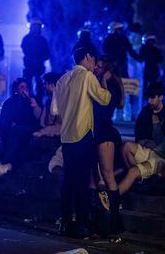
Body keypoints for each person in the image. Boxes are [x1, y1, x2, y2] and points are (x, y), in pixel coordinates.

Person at [51, 47, 111, 238]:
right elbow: (104, 99)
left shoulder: (62, 79)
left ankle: (65, 223)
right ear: (87, 57)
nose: (95, 66)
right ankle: (82, 225)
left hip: (66, 137)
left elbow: (55, 111)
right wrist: (105, 82)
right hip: (82, 136)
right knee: (82, 183)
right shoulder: (87, 77)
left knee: (68, 181)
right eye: (94, 61)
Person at [117, 96, 165, 195]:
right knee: (127, 146)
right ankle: (139, 179)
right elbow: (162, 143)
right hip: (155, 153)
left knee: (132, 171)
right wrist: (156, 126)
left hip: (159, 160)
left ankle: (112, 200)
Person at [93, 55, 124, 234]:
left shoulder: (109, 84)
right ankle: (99, 220)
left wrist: (104, 83)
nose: (96, 67)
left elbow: (107, 105)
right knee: (96, 177)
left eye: (99, 65)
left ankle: (115, 221)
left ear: (106, 69)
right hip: (96, 131)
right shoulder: (97, 81)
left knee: (107, 174)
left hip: (104, 132)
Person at [0, 78, 41, 176]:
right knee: (2, 128)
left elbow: (38, 117)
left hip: (30, 127)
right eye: (22, 87)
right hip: (16, 126)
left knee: (16, 131)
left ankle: (5, 162)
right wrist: (8, 123)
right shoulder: (10, 102)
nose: (24, 89)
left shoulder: (32, 99)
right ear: (16, 89)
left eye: (26, 87)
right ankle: (8, 156)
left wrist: (34, 105)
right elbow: (5, 117)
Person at [133, 82, 165, 151]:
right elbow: (139, 136)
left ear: (161, 97)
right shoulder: (145, 111)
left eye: (152, 97)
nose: (149, 101)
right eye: (148, 97)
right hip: (145, 149)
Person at [21, 18, 50, 103]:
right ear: (31, 27)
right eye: (34, 26)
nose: (36, 28)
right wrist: (34, 59)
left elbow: (47, 53)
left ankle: (39, 102)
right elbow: (25, 50)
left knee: (40, 85)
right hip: (29, 66)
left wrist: (40, 59)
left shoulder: (43, 40)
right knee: (27, 84)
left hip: (39, 67)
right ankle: (27, 101)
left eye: (38, 27)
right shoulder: (26, 38)